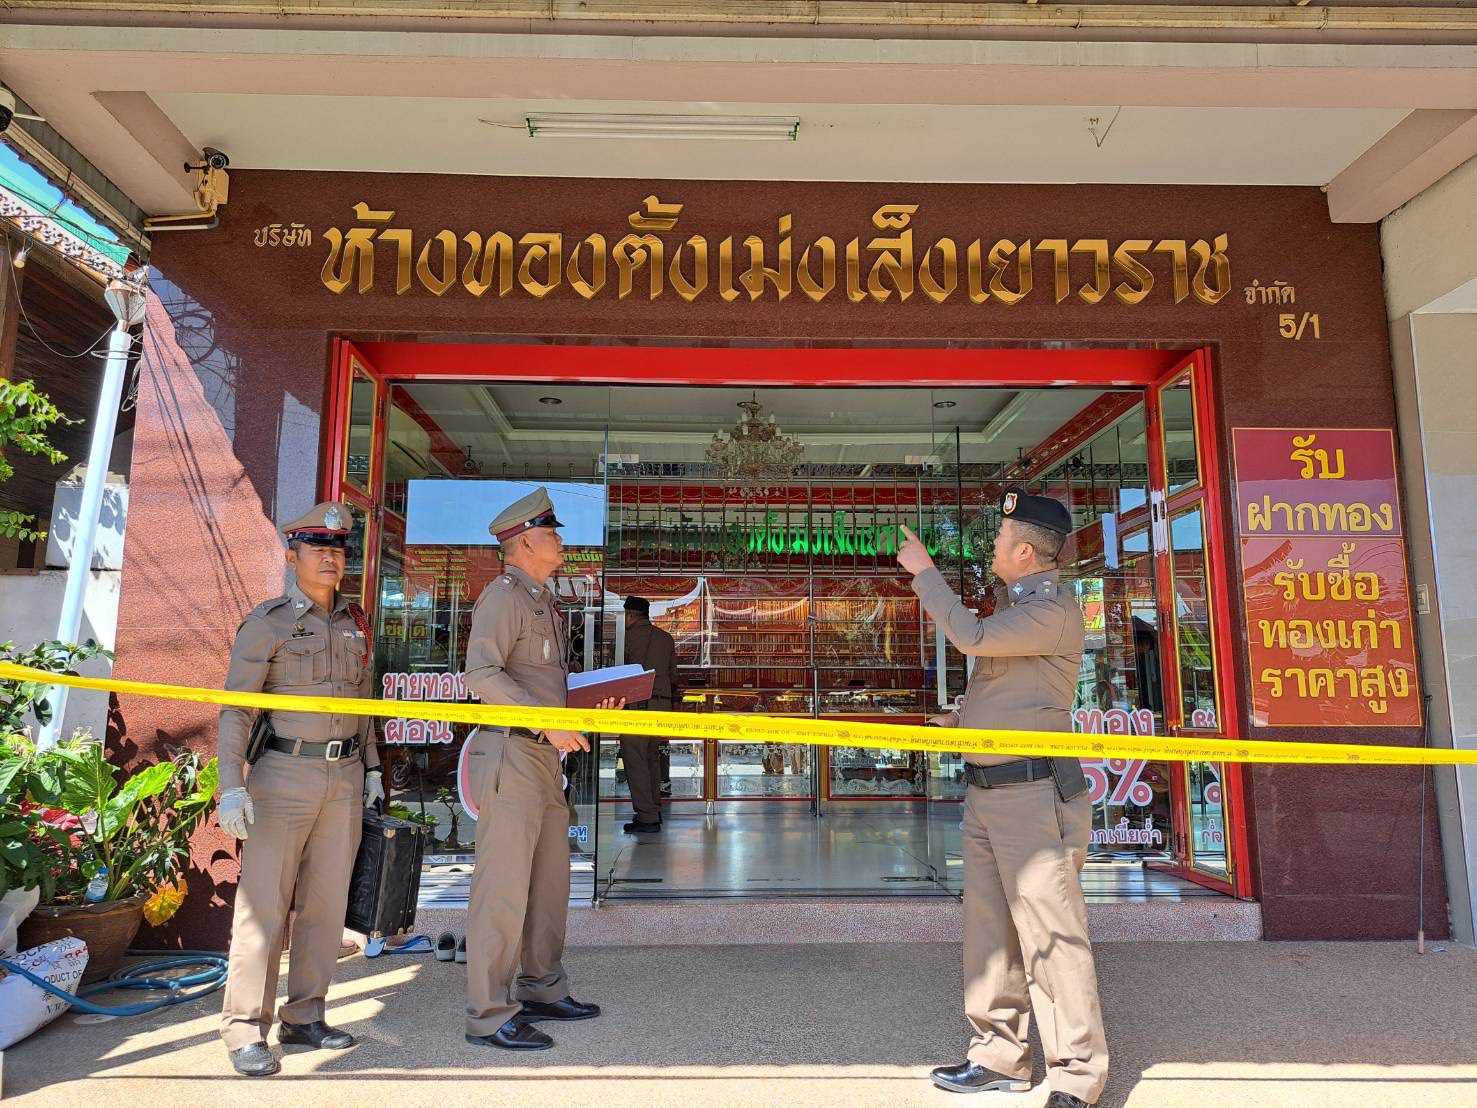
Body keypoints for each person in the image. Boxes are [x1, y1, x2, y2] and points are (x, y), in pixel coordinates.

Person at [897, 490, 1108, 1108]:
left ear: (1024, 553)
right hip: (990, 793)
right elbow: (1017, 694)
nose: (991, 546)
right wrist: (963, 722)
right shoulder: (1018, 607)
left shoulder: (1052, 610)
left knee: (1052, 939)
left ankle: (1077, 1075)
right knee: (990, 934)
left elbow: (968, 637)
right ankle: (998, 1054)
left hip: (1034, 796)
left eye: (999, 538)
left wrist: (925, 573)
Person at [215, 501, 383, 1077]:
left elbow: (364, 705)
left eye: (337, 549)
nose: (330, 558)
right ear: (292, 558)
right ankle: (245, 1029)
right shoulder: (268, 622)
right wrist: (231, 786)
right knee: (263, 907)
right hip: (283, 775)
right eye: (317, 549)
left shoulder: (356, 624)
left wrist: (374, 769)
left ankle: (306, 1015)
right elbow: (237, 709)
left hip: (345, 777)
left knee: (325, 906)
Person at [461, 486, 623, 1051]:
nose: (560, 541)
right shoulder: (504, 597)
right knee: (503, 890)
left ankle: (541, 987)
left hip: (543, 756)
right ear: (525, 542)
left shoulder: (542, 601)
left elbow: (542, 683)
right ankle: (487, 1013)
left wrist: (588, 707)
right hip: (512, 752)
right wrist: (546, 722)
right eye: (551, 533)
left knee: (550, 883)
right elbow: (481, 674)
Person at [618, 595, 677, 834]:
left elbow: (617, 672)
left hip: (636, 706)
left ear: (631, 615)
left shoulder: (626, 638)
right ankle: (654, 808)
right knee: (652, 757)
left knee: (636, 760)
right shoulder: (666, 638)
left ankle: (647, 816)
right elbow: (673, 675)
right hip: (661, 706)